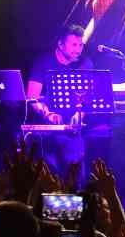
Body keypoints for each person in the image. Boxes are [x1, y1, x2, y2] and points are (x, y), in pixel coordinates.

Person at [24, 23, 103, 175]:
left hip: (72, 132)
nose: (78, 49)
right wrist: (48, 114)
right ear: (60, 44)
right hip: (46, 133)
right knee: (49, 178)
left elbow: (88, 98)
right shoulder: (42, 63)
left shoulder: (86, 64)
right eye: (74, 44)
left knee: (75, 177)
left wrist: (79, 115)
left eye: (80, 45)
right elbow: (32, 97)